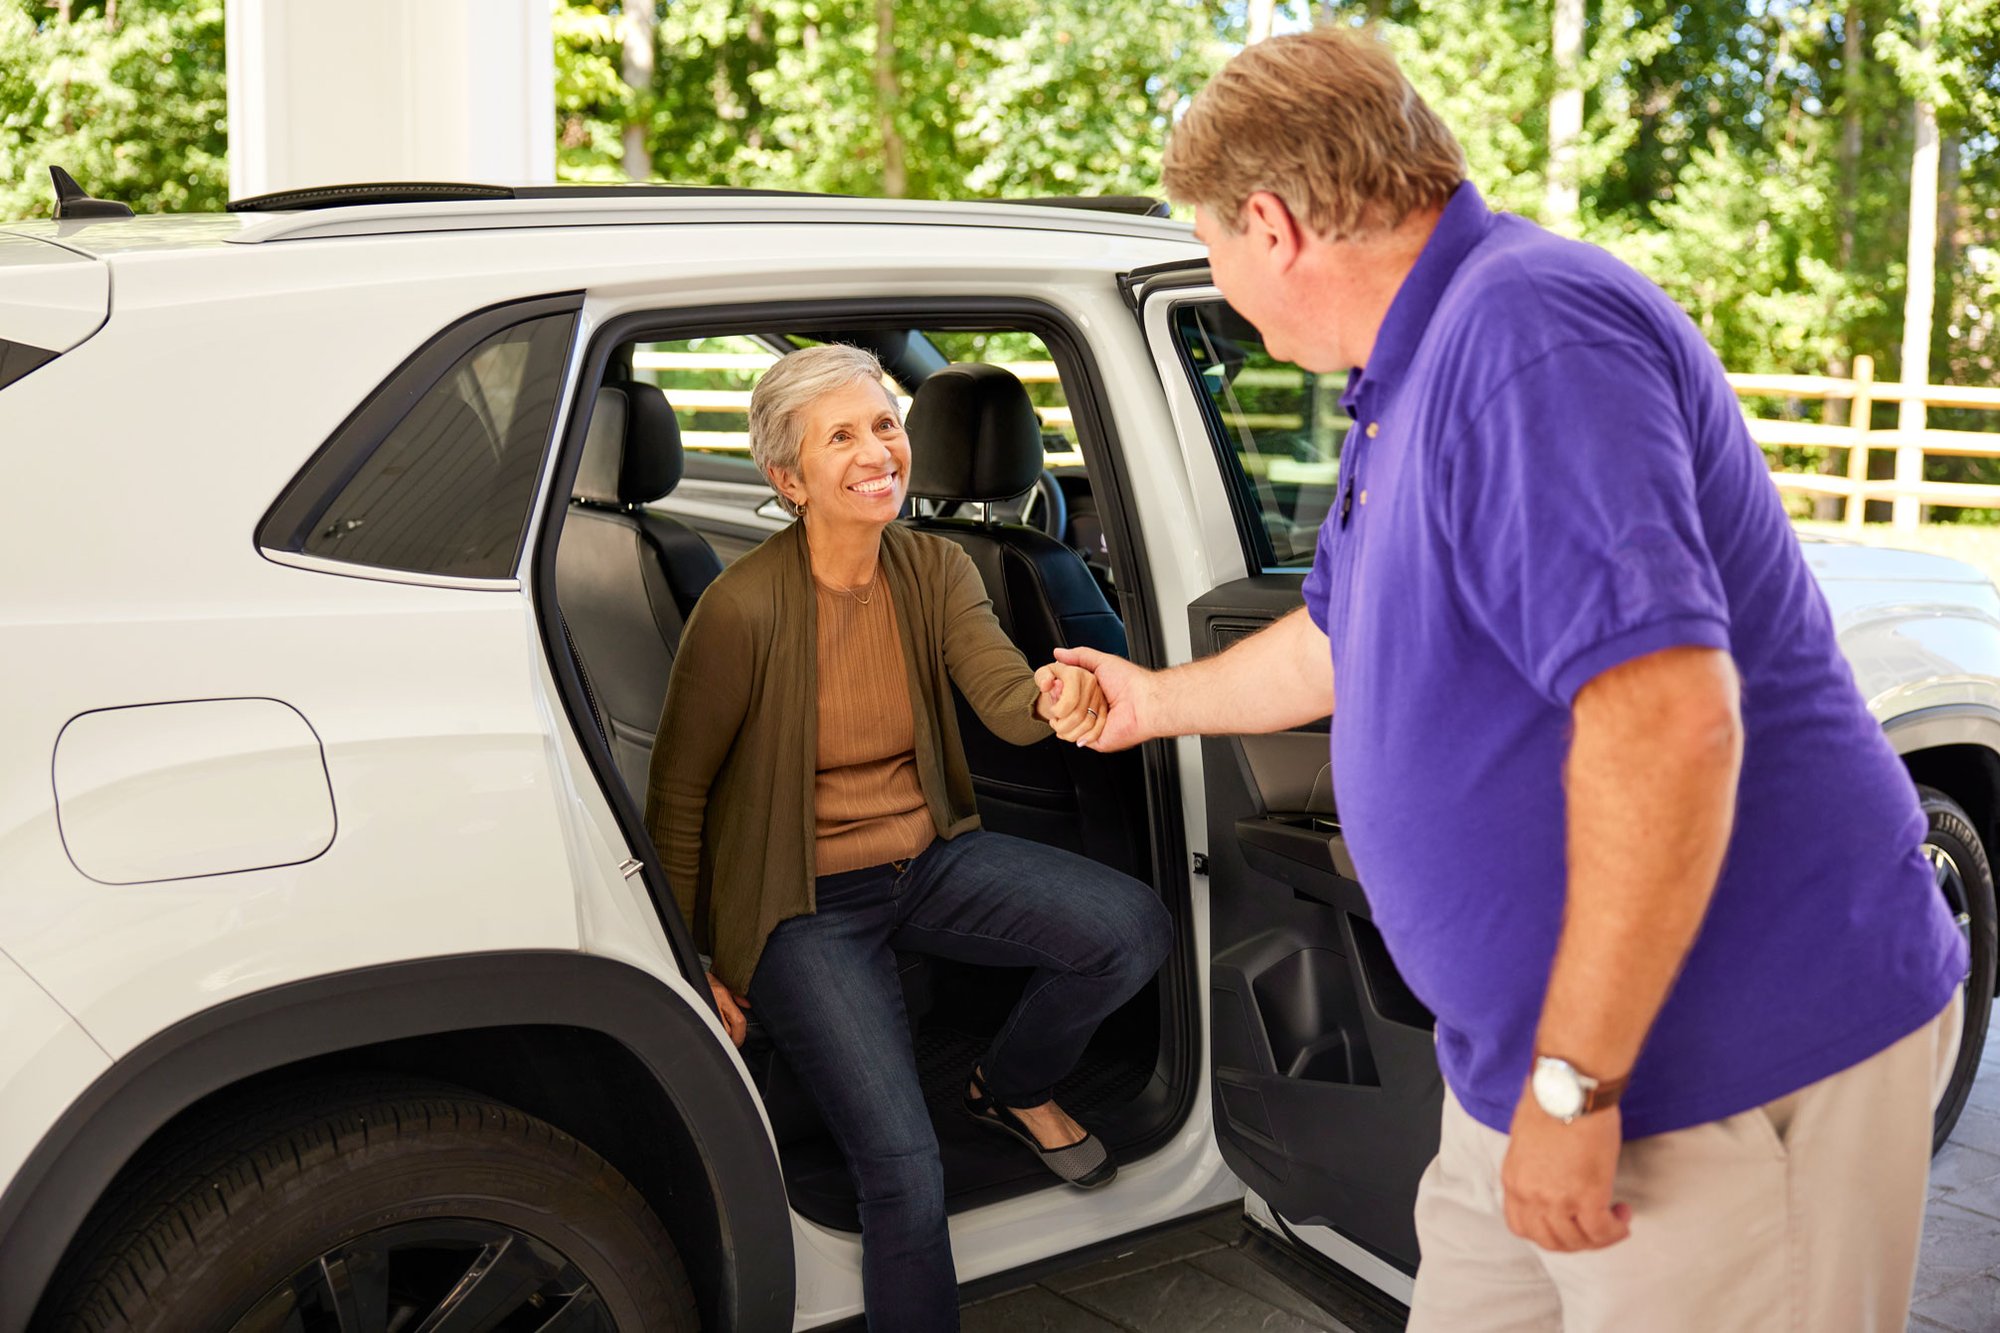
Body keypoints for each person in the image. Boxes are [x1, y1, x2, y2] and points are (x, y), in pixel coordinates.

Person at [1058, 27, 1968, 1333]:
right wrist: (1150, 701)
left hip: (1711, 1061)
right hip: (1531, 1068)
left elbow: (1669, 723)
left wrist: (1577, 1088)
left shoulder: (1527, 338)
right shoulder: (1410, 372)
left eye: (1208, 242)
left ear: (1269, 224)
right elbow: (1337, 638)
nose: (1219, 276)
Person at [645, 343, 1172, 1333]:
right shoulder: (741, 607)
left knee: (1129, 927)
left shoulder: (933, 565)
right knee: (901, 1167)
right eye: (839, 435)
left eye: (884, 422)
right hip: (802, 909)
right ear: (788, 477)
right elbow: (677, 791)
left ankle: (1011, 1083)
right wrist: (698, 962)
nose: (877, 449)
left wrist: (1057, 692)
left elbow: (1004, 696)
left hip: (925, 865)